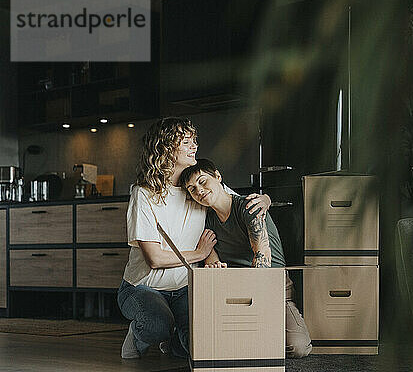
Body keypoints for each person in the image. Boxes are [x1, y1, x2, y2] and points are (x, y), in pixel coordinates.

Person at [118, 117, 272, 359]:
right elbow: (155, 259)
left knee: (200, 344)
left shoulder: (198, 186)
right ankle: (139, 335)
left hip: (185, 288)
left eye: (194, 141)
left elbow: (235, 200)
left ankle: (172, 336)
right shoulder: (143, 194)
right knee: (156, 326)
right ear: (167, 147)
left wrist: (265, 199)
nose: (195, 147)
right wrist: (200, 254)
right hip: (143, 287)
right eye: (187, 141)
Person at [179, 158, 312, 358]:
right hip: (233, 289)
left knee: (298, 347)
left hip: (270, 285)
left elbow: (262, 255)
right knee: (209, 343)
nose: (198, 190)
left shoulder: (249, 207)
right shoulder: (206, 220)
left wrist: (253, 306)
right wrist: (215, 270)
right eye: (192, 189)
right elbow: (211, 259)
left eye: (203, 181)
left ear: (217, 176)